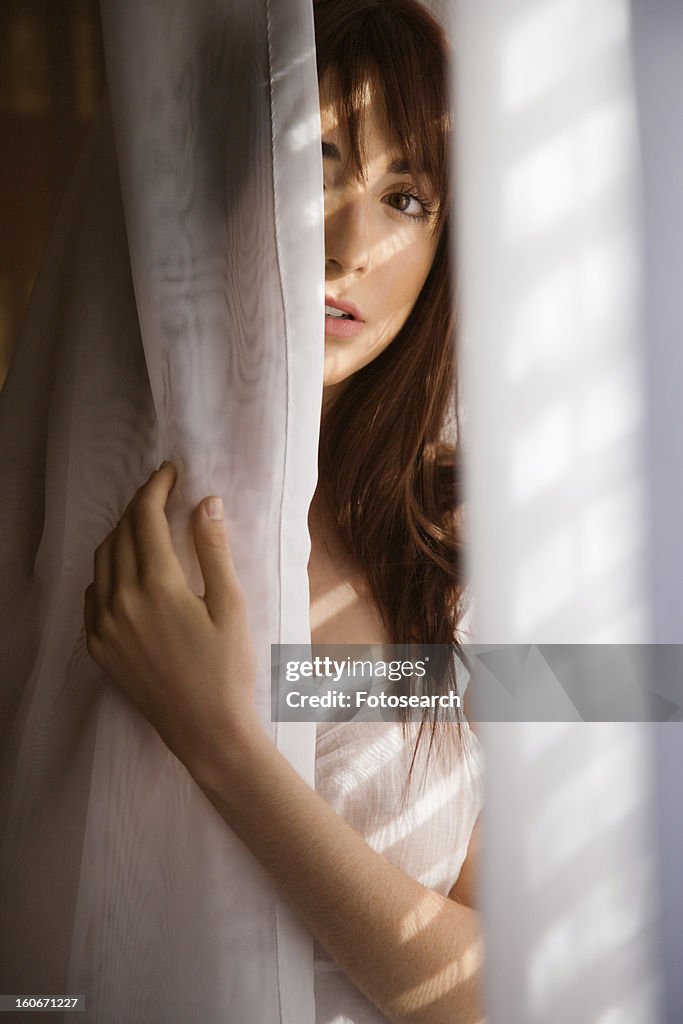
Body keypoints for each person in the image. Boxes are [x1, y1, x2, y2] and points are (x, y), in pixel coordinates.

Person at [83, 1, 486, 1022]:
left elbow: (485, 988)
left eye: (405, 196)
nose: (350, 244)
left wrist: (221, 741)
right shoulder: (76, 514)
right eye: (319, 155)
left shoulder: (458, 555)